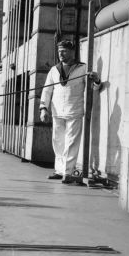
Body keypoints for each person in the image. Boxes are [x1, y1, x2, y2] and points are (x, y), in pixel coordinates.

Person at [40, 39, 102, 184]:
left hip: (74, 111)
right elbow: (47, 90)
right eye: (59, 51)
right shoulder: (54, 70)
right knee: (58, 142)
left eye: (64, 51)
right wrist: (44, 109)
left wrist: (97, 81)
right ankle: (59, 170)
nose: (61, 54)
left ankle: (68, 173)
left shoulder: (83, 68)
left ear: (72, 51)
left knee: (71, 142)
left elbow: (94, 88)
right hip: (57, 111)